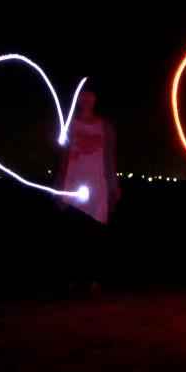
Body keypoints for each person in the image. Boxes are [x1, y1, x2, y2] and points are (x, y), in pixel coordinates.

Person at [55, 88, 120, 294]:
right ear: (78, 98)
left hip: (97, 184)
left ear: (95, 98)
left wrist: (114, 183)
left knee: (95, 233)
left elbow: (110, 157)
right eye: (83, 95)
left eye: (90, 94)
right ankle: (72, 279)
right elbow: (61, 155)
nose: (86, 98)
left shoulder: (105, 127)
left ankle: (93, 279)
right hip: (73, 182)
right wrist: (59, 183)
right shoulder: (69, 124)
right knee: (73, 233)